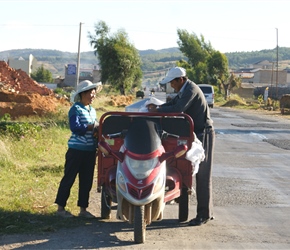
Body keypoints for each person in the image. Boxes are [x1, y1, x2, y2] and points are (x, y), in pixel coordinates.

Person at [148, 67, 215, 226]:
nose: (172, 85)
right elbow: (174, 103)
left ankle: (203, 215)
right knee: (199, 173)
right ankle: (206, 213)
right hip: (196, 133)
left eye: (173, 82)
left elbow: (178, 108)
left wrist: (158, 110)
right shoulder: (185, 89)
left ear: (181, 79)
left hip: (203, 133)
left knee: (203, 175)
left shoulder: (190, 89)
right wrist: (160, 107)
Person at [55, 80, 102, 218]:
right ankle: (60, 209)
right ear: (83, 94)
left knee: (86, 181)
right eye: (91, 93)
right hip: (76, 151)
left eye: (94, 93)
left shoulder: (92, 111)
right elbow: (75, 128)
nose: (93, 96)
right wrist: (91, 127)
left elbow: (94, 129)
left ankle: (83, 209)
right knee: (69, 178)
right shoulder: (75, 109)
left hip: (89, 151)